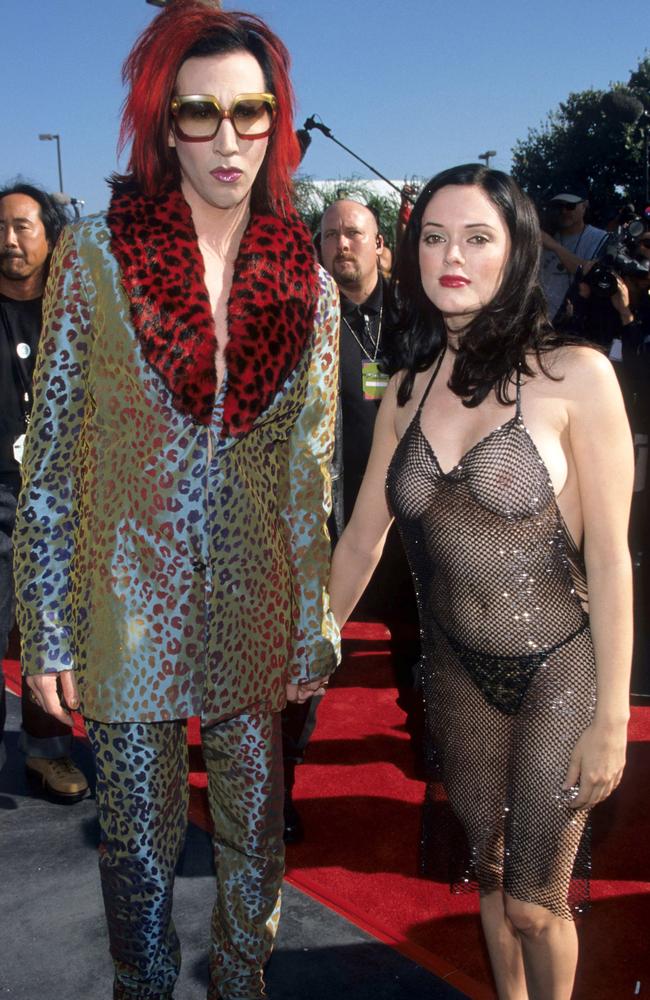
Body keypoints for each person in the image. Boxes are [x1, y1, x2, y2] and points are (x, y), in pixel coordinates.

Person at [13, 4, 339, 999]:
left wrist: (307, 624)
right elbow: (55, 461)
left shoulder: (308, 283)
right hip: (126, 602)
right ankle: (141, 988)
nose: (229, 138)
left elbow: (308, 475)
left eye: (251, 112)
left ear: (276, 122)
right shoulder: (97, 259)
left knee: (253, 837)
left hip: (255, 597)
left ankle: (243, 983)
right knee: (139, 847)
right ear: (165, 127)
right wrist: (48, 626)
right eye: (201, 115)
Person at [329, 163, 633, 1000]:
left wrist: (612, 718)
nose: (449, 256)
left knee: (537, 903)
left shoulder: (574, 378)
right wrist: (309, 644)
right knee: (491, 884)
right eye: (432, 237)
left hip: (558, 675)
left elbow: (608, 558)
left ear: (516, 253)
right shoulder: (403, 392)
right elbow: (361, 541)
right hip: (456, 676)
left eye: (475, 237)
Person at [280, 198, 418, 842]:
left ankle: (443, 774)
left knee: (425, 653)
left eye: (354, 233)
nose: (342, 244)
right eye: (330, 234)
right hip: (329, 515)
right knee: (307, 652)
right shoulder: (297, 317)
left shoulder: (418, 313)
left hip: (413, 512)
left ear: (380, 243)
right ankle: (273, 787)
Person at [0, 182, 88, 800]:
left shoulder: (77, 314)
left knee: (53, 630)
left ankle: (48, 752)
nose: (7, 240)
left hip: (66, 503)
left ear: (51, 237)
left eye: (21, 227)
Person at [540, 187, 608, 322]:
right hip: (543, 322)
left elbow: (590, 274)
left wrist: (555, 247)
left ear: (584, 206)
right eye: (559, 206)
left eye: (570, 206)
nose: (564, 211)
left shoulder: (600, 238)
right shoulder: (546, 235)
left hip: (580, 323)